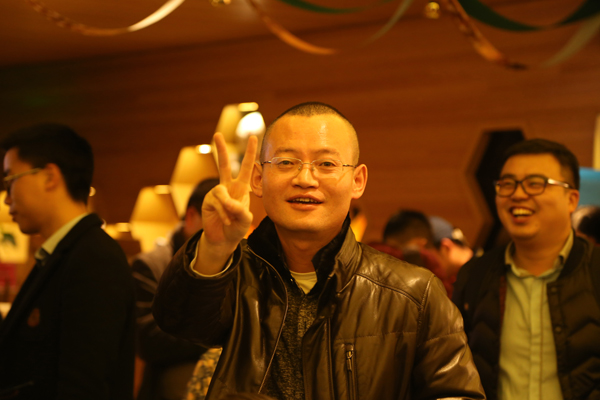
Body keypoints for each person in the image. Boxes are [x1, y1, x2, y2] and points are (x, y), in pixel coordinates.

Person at [153, 102, 484, 400]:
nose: (305, 178)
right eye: (286, 162)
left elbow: (456, 392)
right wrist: (215, 246)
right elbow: (179, 322)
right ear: (258, 178)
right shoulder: (234, 273)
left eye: (326, 163)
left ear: (357, 181)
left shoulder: (416, 293)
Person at [453, 138, 600, 400]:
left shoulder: (595, 269)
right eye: (507, 184)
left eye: (535, 183)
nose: (518, 195)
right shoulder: (475, 275)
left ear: (571, 199)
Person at [0, 123, 135, 399]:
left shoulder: (93, 258)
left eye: (11, 180)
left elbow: (83, 386)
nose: (6, 198)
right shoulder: (60, 254)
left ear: (49, 177)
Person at [131, 178, 218, 400]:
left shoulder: (238, 262)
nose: (226, 229)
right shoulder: (151, 265)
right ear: (191, 216)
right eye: (217, 219)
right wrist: (216, 331)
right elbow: (148, 340)